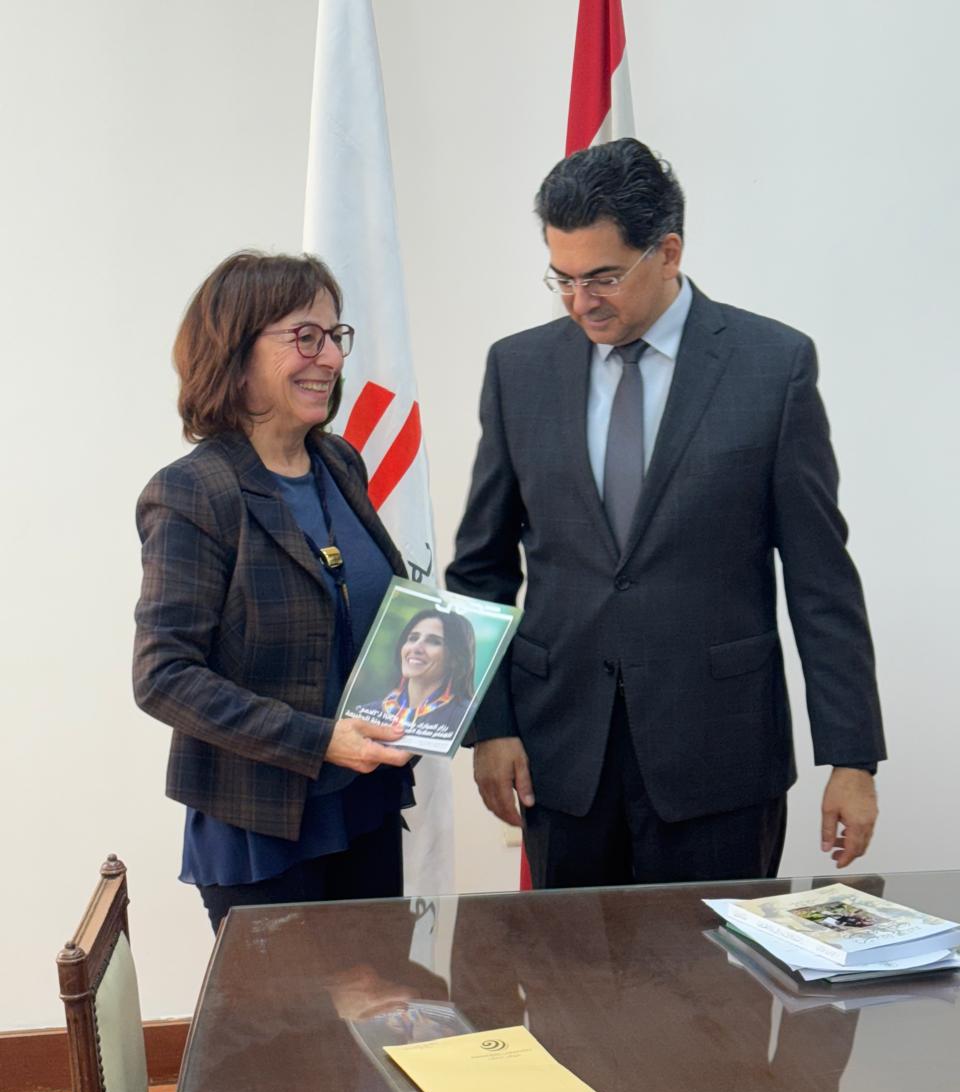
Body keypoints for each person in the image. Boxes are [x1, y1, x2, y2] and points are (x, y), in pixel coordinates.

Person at [446, 138, 885, 890]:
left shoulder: (771, 366)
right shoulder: (517, 369)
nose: (580, 302)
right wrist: (489, 726)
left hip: (720, 758)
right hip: (560, 756)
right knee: (568, 966)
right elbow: (480, 569)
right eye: (562, 278)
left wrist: (852, 757)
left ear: (668, 252)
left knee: (714, 970)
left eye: (603, 277)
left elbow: (821, 579)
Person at [134, 250, 413, 930]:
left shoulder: (338, 462)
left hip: (366, 805)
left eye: (335, 336)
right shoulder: (193, 492)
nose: (331, 358)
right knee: (292, 1007)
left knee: (382, 997)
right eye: (305, 338)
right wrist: (319, 740)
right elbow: (163, 677)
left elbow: (357, 612)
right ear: (236, 354)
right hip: (263, 832)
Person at [356, 609, 475, 740]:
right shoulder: (366, 712)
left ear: (455, 659)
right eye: (413, 638)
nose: (416, 648)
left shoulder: (467, 718)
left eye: (434, 641)